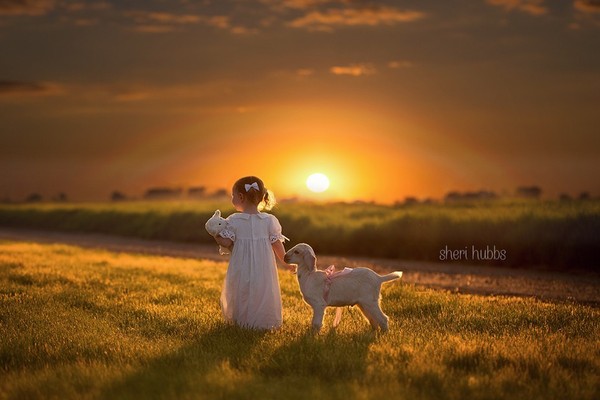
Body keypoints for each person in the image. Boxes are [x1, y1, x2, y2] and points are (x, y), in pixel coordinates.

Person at [214, 176, 294, 330]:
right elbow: (277, 245)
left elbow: (227, 242)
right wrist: (286, 262)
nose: (232, 198)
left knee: (240, 289)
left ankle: (241, 321)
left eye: (233, 195)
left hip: (241, 265)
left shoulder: (234, 220)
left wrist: (216, 235)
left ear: (241, 197)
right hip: (264, 267)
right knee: (263, 291)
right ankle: (264, 322)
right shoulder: (269, 220)